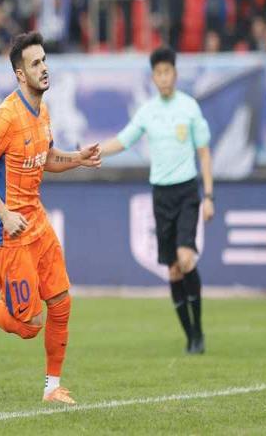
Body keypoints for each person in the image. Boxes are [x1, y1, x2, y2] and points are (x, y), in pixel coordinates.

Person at [0, 32, 101, 404]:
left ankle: (52, 388)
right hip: (10, 235)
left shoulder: (43, 112)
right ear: (20, 74)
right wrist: (4, 214)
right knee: (29, 325)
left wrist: (78, 158)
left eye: (45, 60)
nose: (44, 68)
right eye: (35, 63)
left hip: (38, 223)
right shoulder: (5, 117)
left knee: (62, 303)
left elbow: (46, 158)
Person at [100, 47, 214, 354]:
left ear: (175, 74)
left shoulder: (189, 107)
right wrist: (93, 151)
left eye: (167, 72)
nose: (163, 78)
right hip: (161, 196)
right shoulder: (148, 111)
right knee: (174, 270)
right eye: (158, 73)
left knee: (186, 258)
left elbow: (204, 154)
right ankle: (190, 336)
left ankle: (199, 331)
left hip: (187, 192)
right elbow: (123, 140)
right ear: (153, 77)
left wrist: (208, 196)